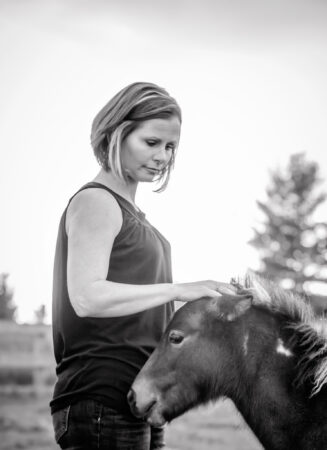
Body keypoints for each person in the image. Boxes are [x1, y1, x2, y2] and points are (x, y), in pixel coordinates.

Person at [50, 82, 222, 450]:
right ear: (117, 134)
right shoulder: (96, 202)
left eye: (170, 146)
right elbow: (87, 297)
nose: (162, 156)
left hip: (139, 396)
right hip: (101, 398)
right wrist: (179, 289)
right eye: (151, 142)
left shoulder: (135, 216)